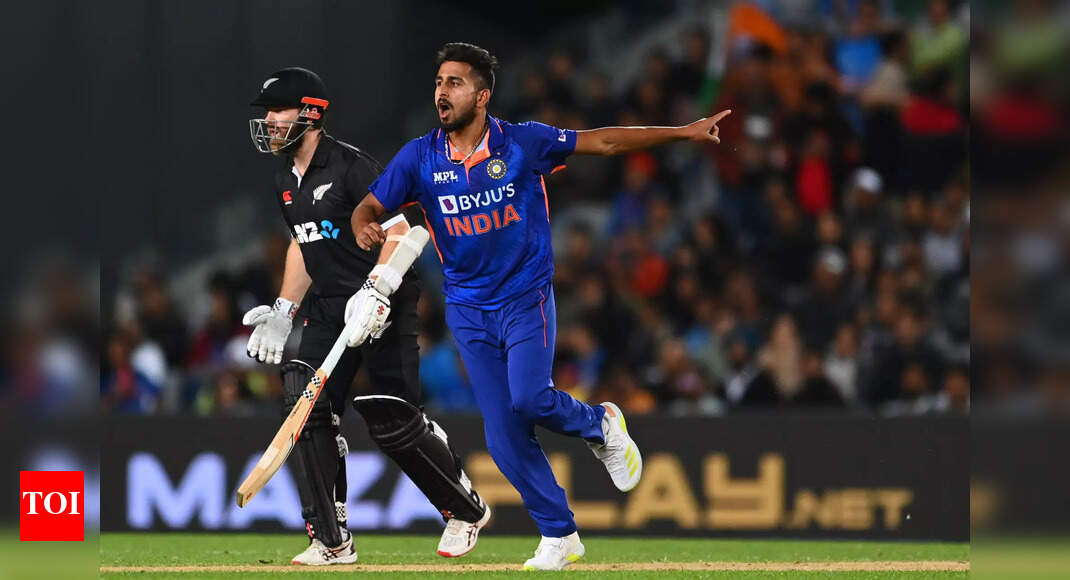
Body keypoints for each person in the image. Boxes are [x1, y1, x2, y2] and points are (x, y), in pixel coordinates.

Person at [347, 43, 731, 570]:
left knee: (529, 399)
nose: (442, 92)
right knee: (503, 438)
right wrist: (363, 225)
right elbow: (369, 206)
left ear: (482, 95)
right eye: (438, 82)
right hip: (468, 310)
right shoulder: (419, 157)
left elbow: (605, 141)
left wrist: (683, 132)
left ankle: (600, 424)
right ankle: (560, 534)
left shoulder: (523, 142)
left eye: (455, 82)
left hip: (525, 297)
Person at [244, 67, 489, 565]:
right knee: (306, 404)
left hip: (384, 295)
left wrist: (376, 289)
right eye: (266, 112)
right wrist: (285, 310)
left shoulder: (352, 167)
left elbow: (400, 231)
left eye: (278, 110)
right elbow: (304, 242)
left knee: (392, 416)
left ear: (310, 113)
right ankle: (331, 541)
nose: (269, 121)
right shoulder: (285, 179)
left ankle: (465, 509)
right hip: (329, 305)